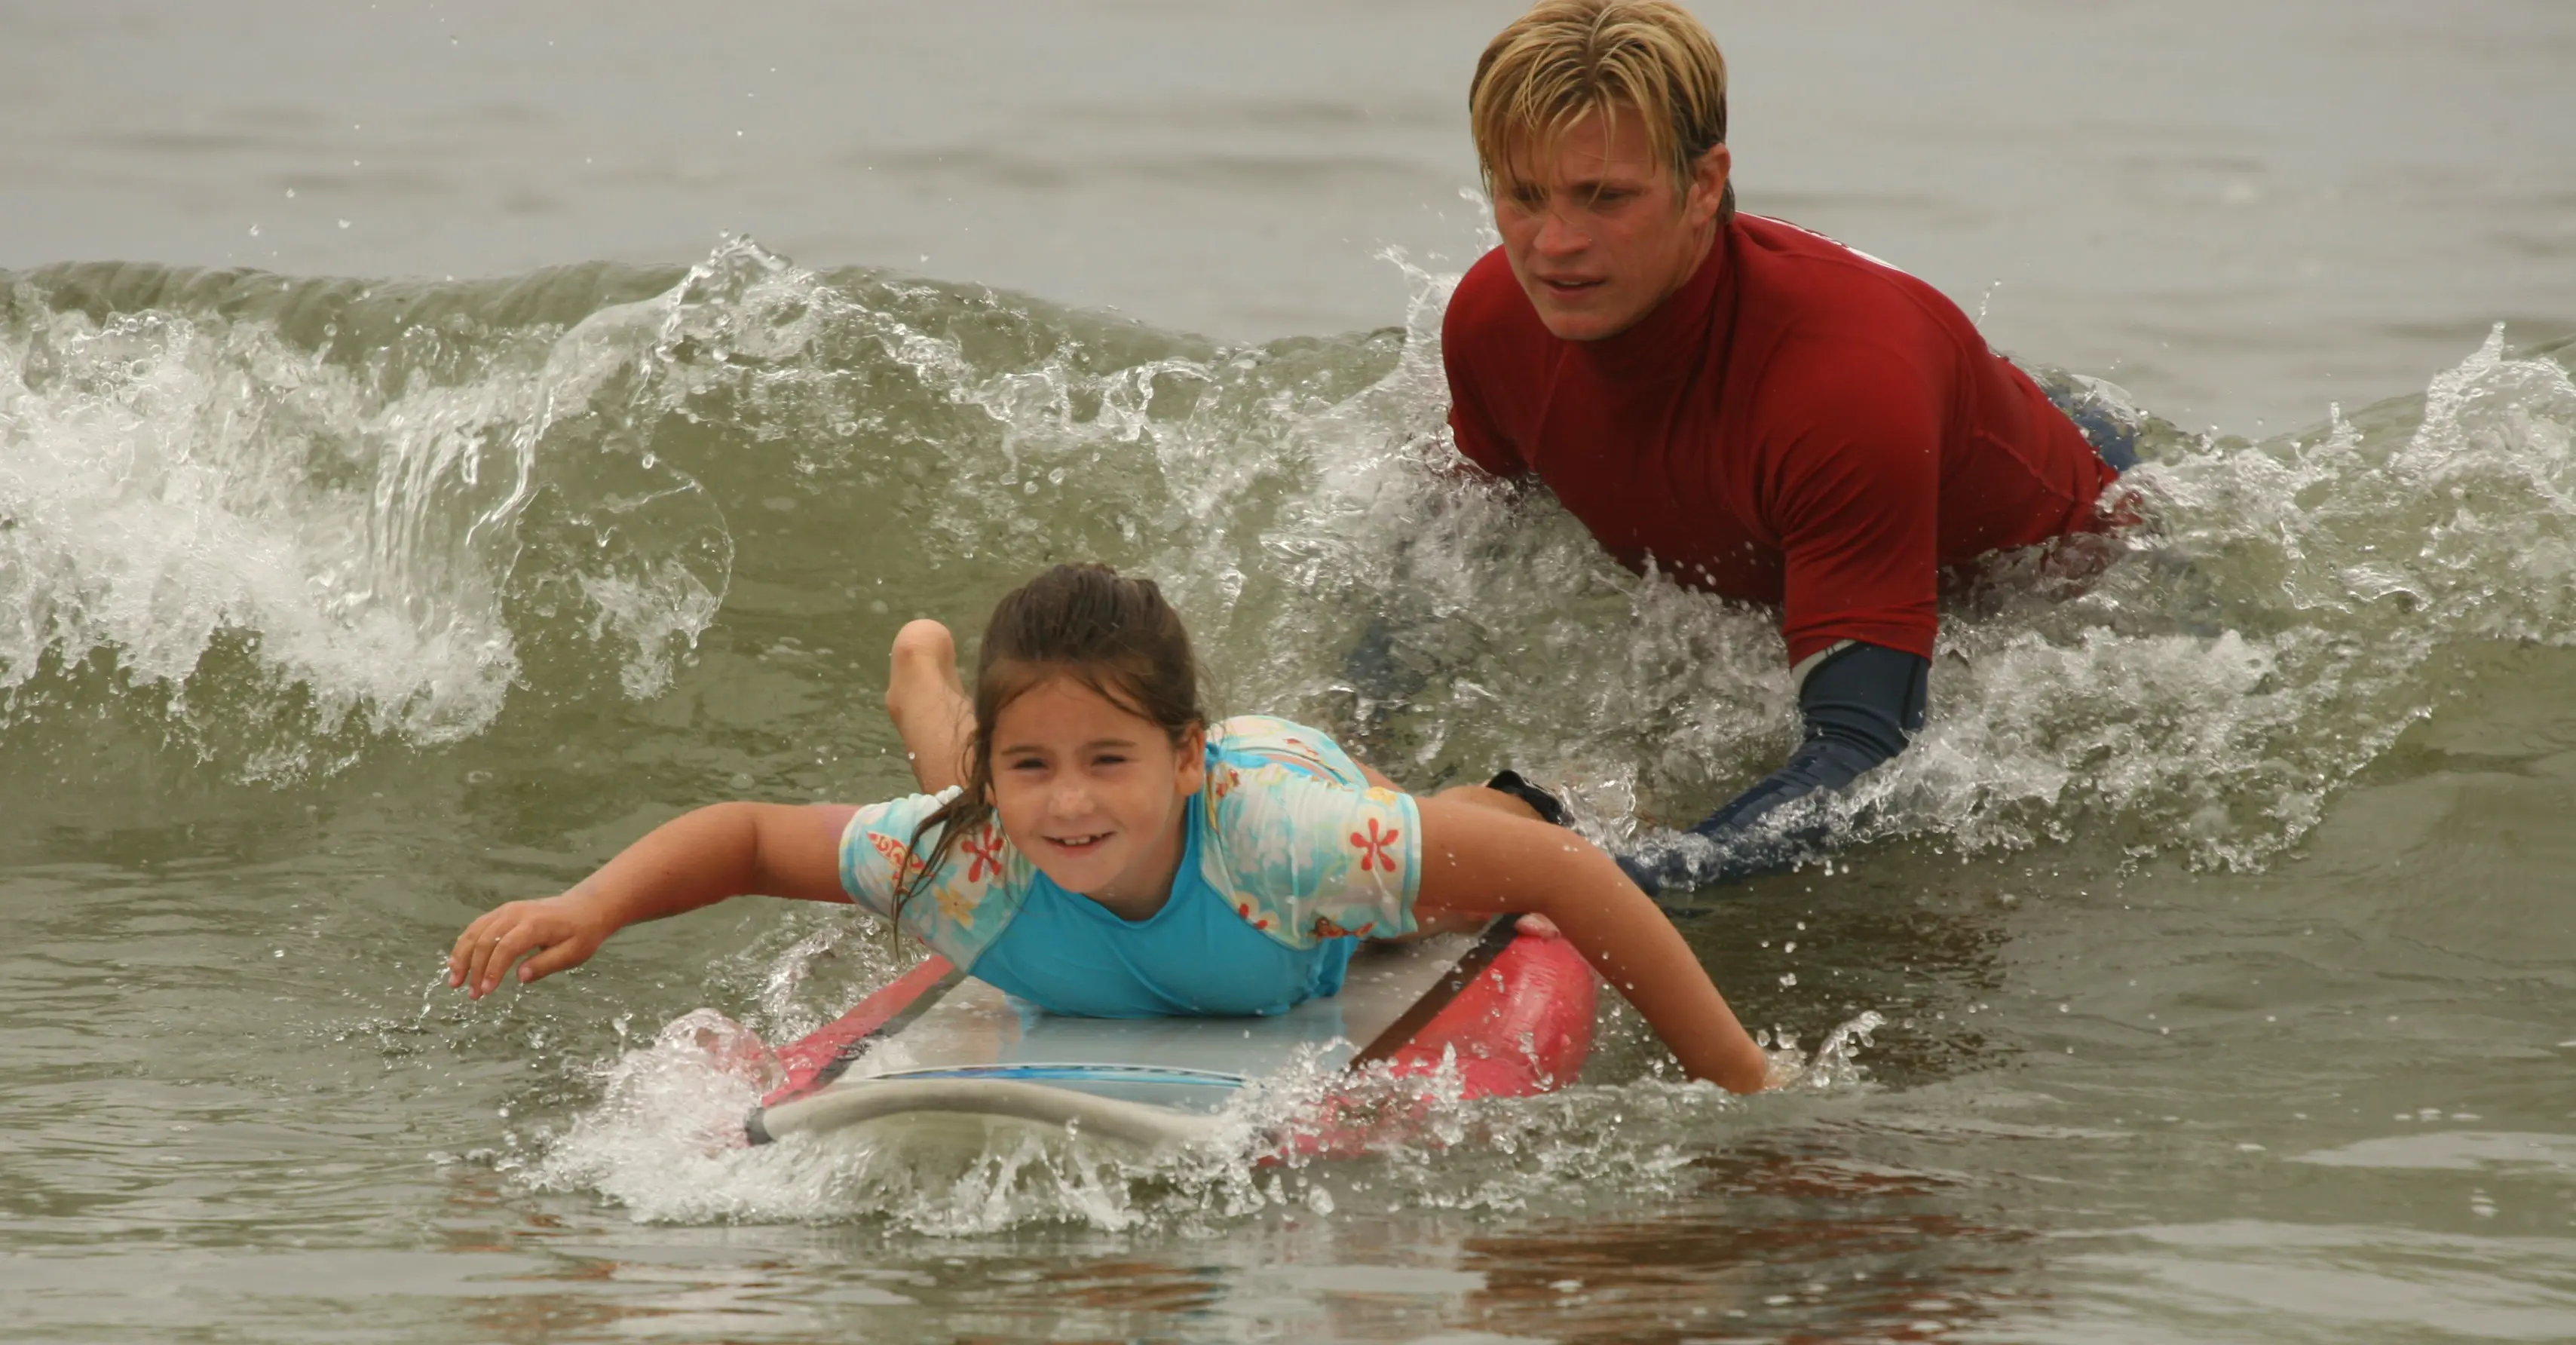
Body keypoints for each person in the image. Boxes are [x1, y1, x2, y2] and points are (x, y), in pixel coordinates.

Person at [447, 564, 1768, 1092]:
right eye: (1041, 760)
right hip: (1026, 796)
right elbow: (745, 835)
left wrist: (1736, 1072)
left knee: (1483, 847)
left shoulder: (1296, 846)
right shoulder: (969, 847)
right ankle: (935, 694)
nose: (1067, 794)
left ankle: (959, 707)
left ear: (1183, 754)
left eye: (1111, 760)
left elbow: (1552, 870)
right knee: (992, 796)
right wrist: (589, 903)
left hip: (1281, 798)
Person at [1439, 1, 2143, 897]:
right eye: (1523, 194)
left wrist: (1626, 879)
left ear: (1704, 186)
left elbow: (1866, 751)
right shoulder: (1493, 322)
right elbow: (1451, 534)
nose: (1555, 245)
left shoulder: (1840, 398)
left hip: (2062, 549)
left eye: (1607, 196)